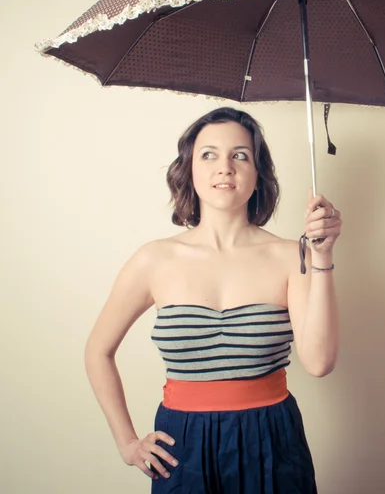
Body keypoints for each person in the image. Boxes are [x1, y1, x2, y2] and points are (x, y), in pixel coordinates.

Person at [84, 106, 342, 494]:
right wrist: (127, 442)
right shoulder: (153, 259)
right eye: (209, 155)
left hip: (271, 439)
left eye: (240, 155)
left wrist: (322, 256)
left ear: (258, 174)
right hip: (181, 445)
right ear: (188, 169)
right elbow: (97, 351)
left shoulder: (293, 255)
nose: (225, 167)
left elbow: (319, 363)